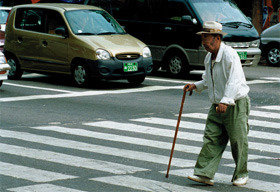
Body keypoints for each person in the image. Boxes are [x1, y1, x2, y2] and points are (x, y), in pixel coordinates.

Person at [184, 21, 250, 186]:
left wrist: (226, 101)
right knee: (211, 138)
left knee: (237, 140)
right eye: (203, 38)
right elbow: (208, 79)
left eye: (206, 38)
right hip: (217, 105)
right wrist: (195, 86)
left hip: (235, 103)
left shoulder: (229, 55)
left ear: (217, 38)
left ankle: (241, 174)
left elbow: (234, 81)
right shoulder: (209, 57)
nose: (204, 42)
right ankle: (204, 173)